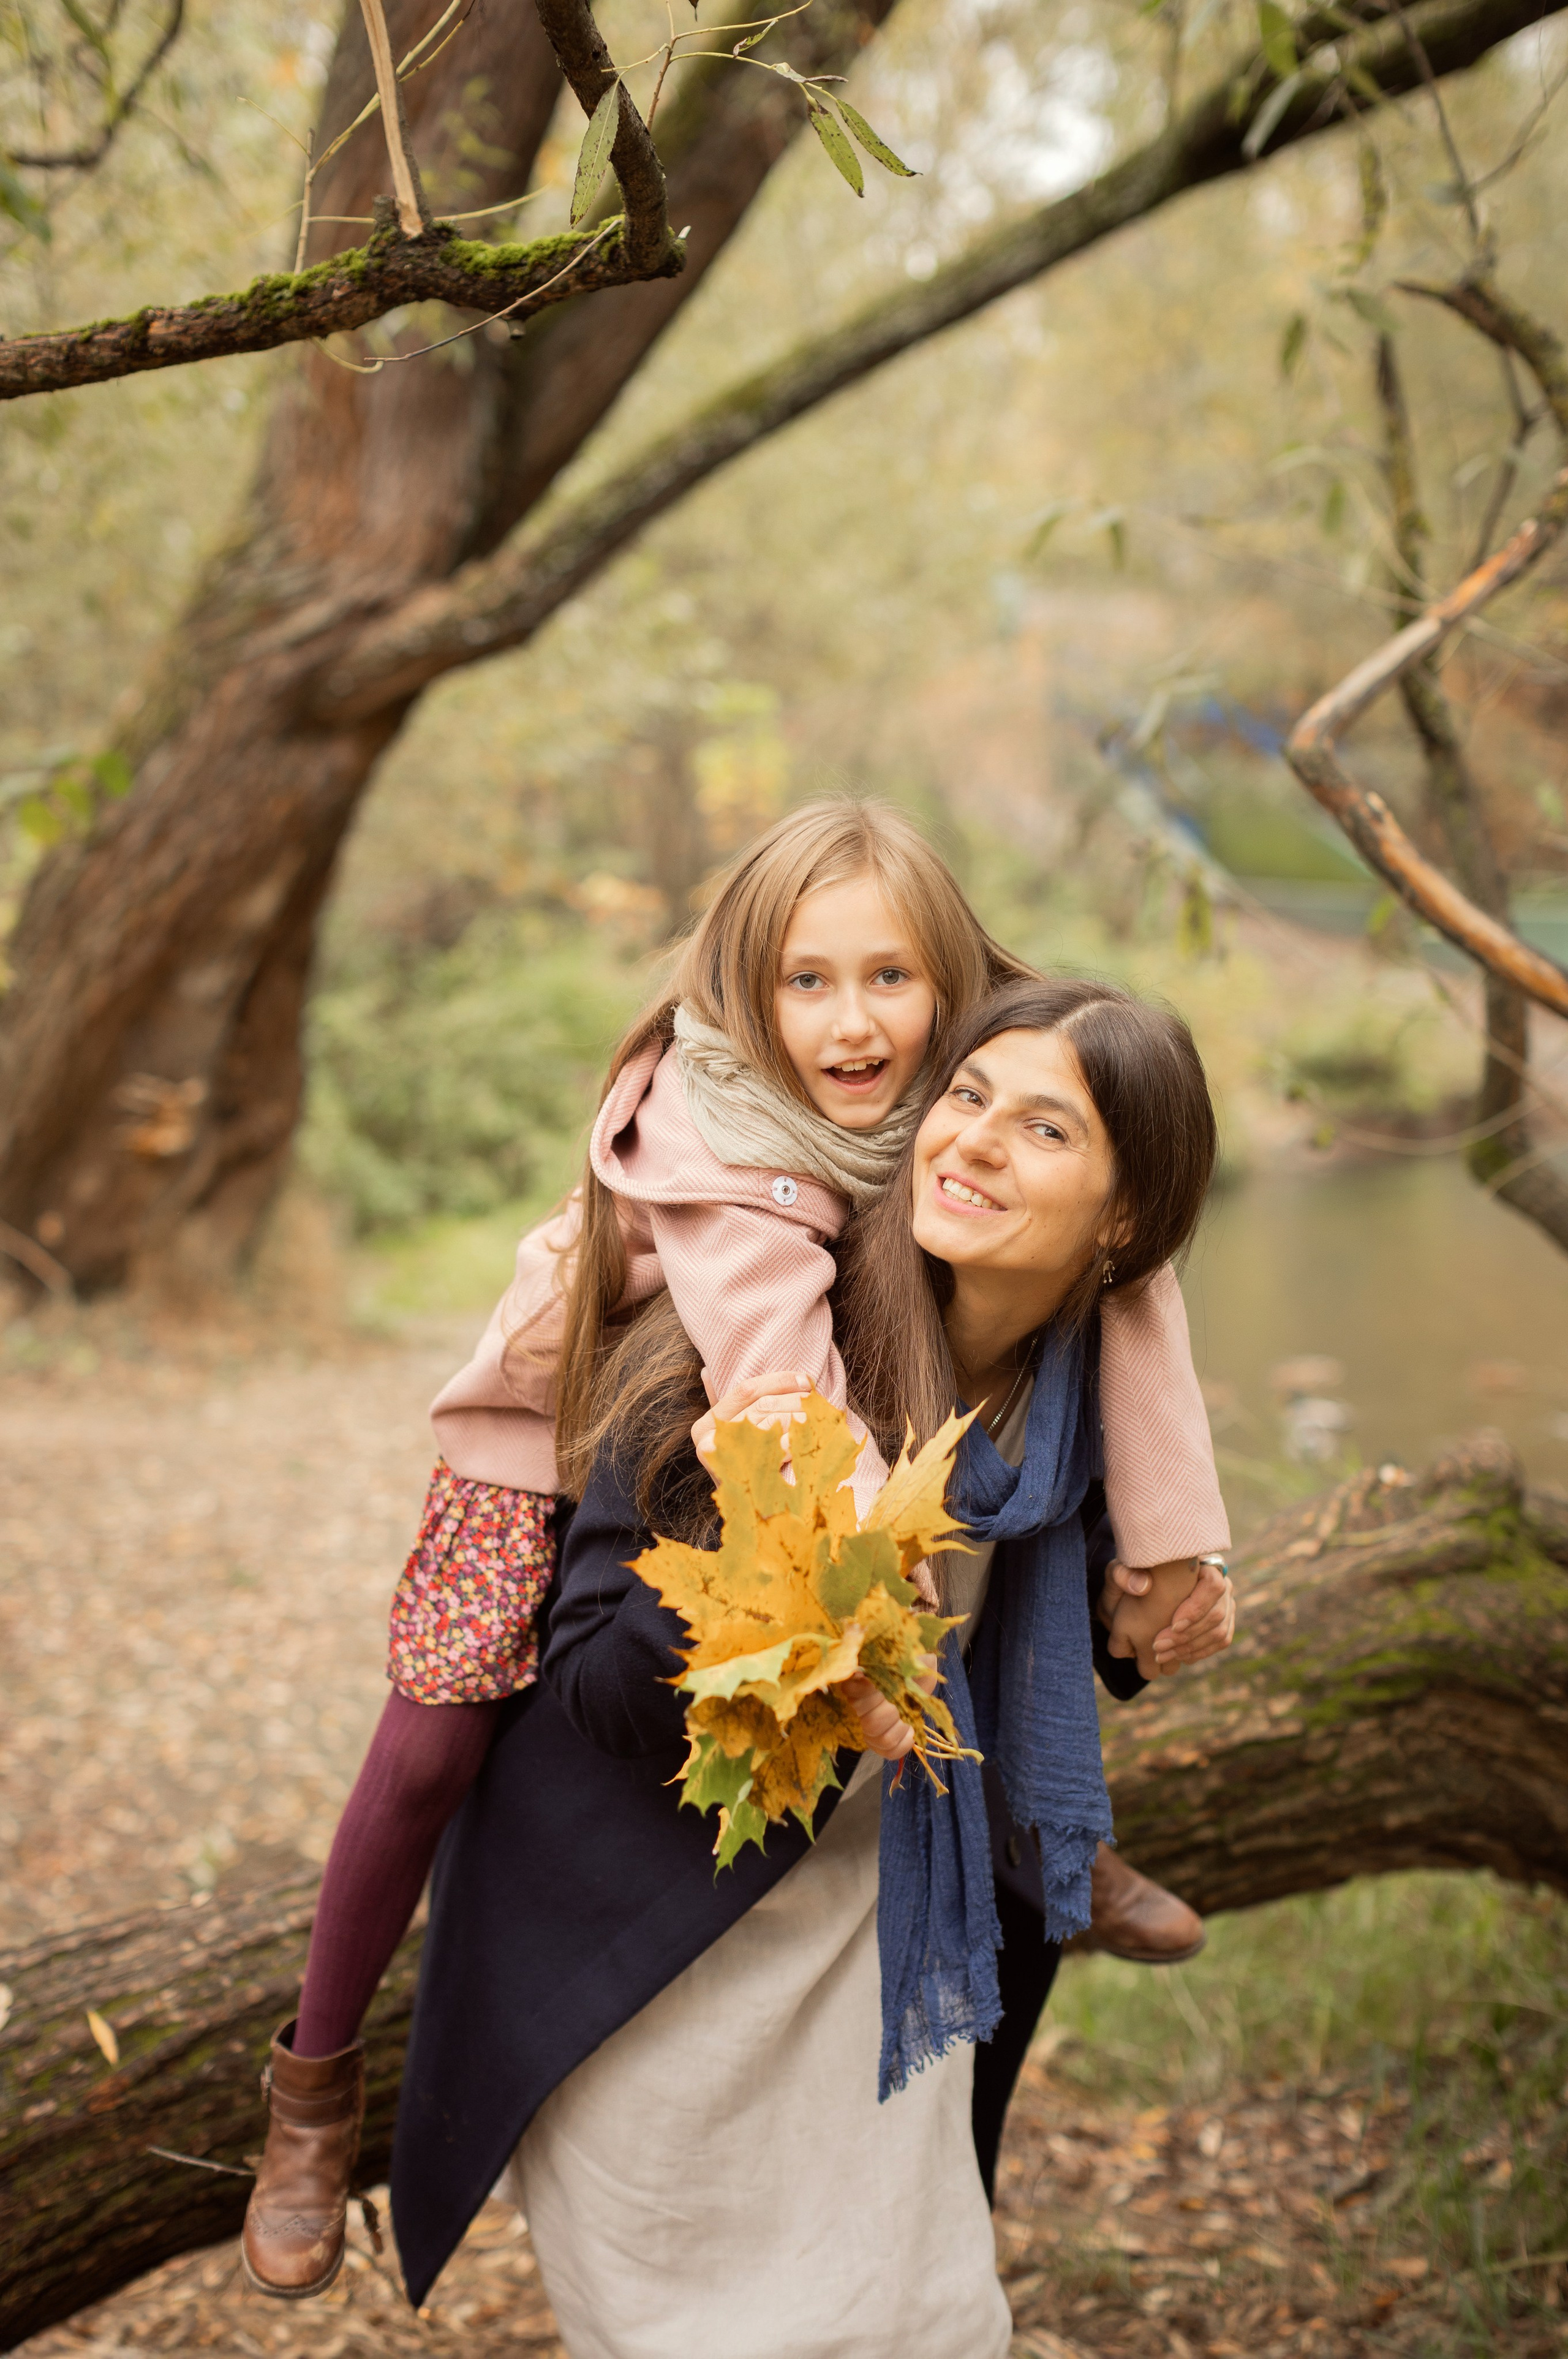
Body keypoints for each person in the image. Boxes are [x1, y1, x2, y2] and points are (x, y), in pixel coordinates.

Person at [241, 804, 1229, 2298]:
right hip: (549, 1428)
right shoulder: (721, 1139)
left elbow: (1135, 1277)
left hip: (777, 1445)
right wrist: (853, 1594)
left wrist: (1174, 1552)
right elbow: (775, 1393)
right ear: (744, 993)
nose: (850, 1023)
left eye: (890, 980)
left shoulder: (973, 1105)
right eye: (804, 983)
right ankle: (312, 2088)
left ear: (951, 979)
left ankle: (1036, 1824)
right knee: (432, 1741)